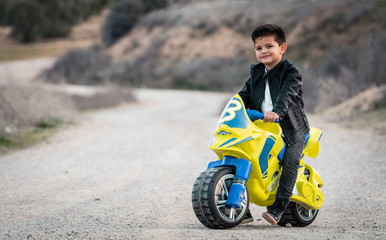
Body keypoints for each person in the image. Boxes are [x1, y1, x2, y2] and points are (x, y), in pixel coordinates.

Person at [239, 24, 310, 225]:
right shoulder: (256, 72)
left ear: (282, 47)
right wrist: (234, 106)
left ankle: (278, 208)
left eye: (269, 46)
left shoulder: (291, 72)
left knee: (290, 161)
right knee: (244, 151)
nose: (263, 52)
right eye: (258, 48)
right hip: (262, 126)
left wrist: (276, 112)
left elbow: (287, 96)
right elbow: (243, 95)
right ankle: (241, 206)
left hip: (291, 129)